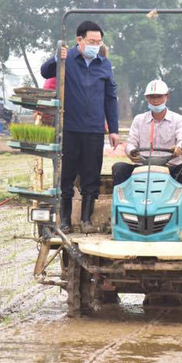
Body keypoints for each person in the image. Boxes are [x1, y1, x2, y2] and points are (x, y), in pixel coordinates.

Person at [40, 21, 120, 233]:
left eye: (99, 41)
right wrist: (58, 57)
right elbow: (44, 72)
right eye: (92, 41)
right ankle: (65, 220)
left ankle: (86, 219)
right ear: (79, 40)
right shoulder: (68, 60)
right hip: (69, 128)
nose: (96, 45)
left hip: (94, 129)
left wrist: (113, 129)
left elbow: (111, 98)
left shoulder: (103, 64)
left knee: (91, 175)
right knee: (66, 174)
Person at [112, 79, 182, 189]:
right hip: (142, 167)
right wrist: (131, 152)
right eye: (152, 97)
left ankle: (178, 201)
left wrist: (178, 148)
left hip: (170, 168)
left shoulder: (178, 119)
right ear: (147, 98)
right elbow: (131, 144)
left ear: (166, 97)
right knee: (119, 168)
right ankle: (124, 202)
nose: (155, 100)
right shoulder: (139, 119)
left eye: (159, 96)